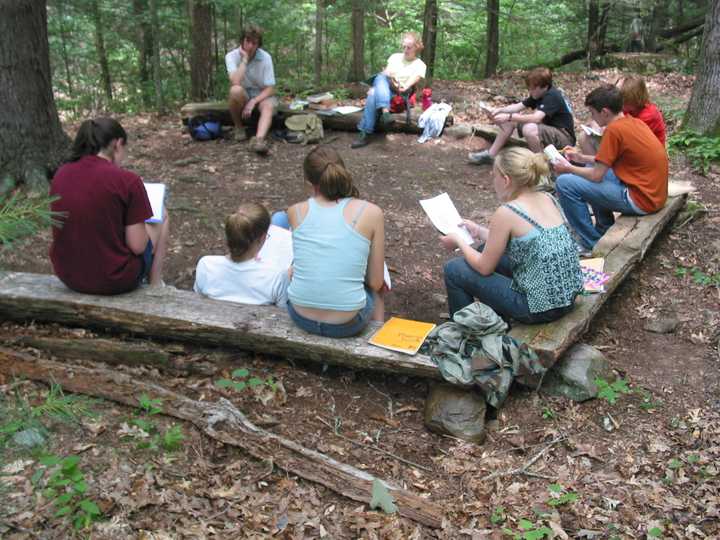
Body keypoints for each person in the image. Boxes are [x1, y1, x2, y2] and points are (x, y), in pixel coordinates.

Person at [442, 147, 582, 322]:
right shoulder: (547, 198)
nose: (493, 180)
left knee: (454, 270)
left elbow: (484, 268)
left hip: (539, 309)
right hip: (566, 297)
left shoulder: (507, 212)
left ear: (506, 180)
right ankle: (498, 318)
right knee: (485, 248)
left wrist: (458, 241)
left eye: (494, 175)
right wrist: (478, 231)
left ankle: (468, 333)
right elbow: (527, 240)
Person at [50, 118, 169, 294]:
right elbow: (138, 246)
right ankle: (155, 284)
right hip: (114, 279)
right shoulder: (128, 181)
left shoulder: (60, 174)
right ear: (118, 144)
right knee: (163, 214)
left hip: (68, 276)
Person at [554, 85, 669, 251]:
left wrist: (568, 168)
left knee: (564, 183)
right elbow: (608, 160)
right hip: (654, 194)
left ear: (605, 112)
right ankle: (603, 228)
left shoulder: (613, 130)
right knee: (588, 166)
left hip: (642, 200)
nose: (591, 117)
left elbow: (596, 176)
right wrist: (580, 157)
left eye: (592, 113)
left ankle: (590, 243)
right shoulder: (633, 122)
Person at [285, 146, 385, 337]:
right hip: (348, 323)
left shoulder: (295, 211)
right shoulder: (371, 212)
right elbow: (375, 282)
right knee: (380, 283)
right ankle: (378, 338)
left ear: (308, 182)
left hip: (300, 316)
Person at [469, 67, 575, 165]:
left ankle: (542, 166)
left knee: (529, 129)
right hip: (551, 131)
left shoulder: (552, 95)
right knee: (509, 121)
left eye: (533, 88)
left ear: (544, 86)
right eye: (529, 88)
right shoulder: (539, 94)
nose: (530, 91)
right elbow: (518, 106)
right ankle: (490, 155)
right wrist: (499, 110)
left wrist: (509, 117)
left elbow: (536, 118)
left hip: (564, 137)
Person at [194, 202, 290, 306]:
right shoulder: (277, 276)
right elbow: (282, 311)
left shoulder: (206, 265)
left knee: (279, 218)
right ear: (262, 238)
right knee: (280, 218)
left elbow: (198, 298)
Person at [351, 32, 427, 149]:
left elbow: (406, 87)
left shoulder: (420, 65)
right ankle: (385, 112)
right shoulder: (395, 57)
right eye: (404, 47)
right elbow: (385, 74)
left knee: (376, 87)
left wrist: (396, 84)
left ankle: (365, 133)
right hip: (385, 91)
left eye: (409, 47)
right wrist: (375, 87)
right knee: (379, 81)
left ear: (416, 47)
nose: (405, 50)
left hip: (399, 95)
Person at [578, 75, 666, 154]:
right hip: (629, 147)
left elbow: (626, 137)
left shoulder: (649, 114)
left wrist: (605, 129)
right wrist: (596, 125)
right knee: (584, 137)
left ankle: (599, 168)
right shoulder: (626, 109)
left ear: (633, 98)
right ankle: (597, 167)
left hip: (643, 154)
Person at [225, 24, 276, 154]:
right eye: (248, 41)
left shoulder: (265, 58)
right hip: (243, 94)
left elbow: (270, 88)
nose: (250, 46)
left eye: (254, 43)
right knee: (235, 90)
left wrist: (254, 101)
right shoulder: (231, 56)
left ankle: (258, 140)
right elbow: (235, 81)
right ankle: (239, 128)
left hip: (261, 94)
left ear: (258, 44)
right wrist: (245, 60)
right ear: (242, 40)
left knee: (268, 105)